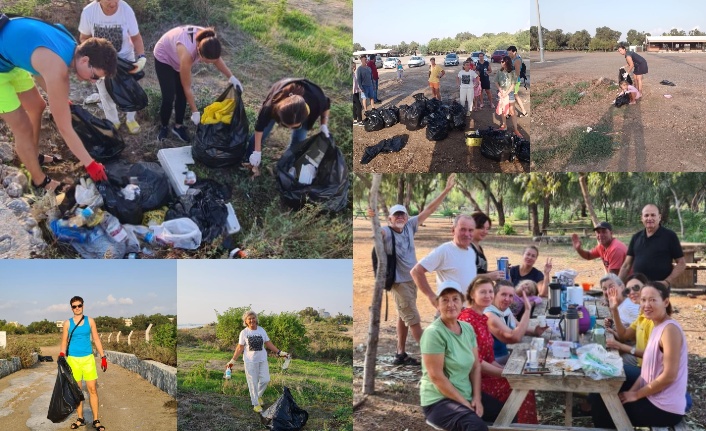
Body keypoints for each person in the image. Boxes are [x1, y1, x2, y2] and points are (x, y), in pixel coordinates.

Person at [0, 17, 115, 192]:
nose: (93, 82)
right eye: (95, 76)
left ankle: (33, 155)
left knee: (37, 106)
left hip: (10, 60)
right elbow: (65, 129)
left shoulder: (69, 42)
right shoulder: (58, 69)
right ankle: (39, 181)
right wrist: (90, 164)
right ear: (85, 61)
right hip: (2, 66)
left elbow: (39, 66)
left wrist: (60, 99)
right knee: (22, 127)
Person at [372, 174, 457, 366]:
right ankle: (434, 360)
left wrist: (446, 190)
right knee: (414, 320)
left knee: (404, 317)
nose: (400, 217)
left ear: (407, 217)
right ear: (390, 219)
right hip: (398, 283)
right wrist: (373, 218)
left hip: (412, 280)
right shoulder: (386, 232)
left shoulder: (410, 225)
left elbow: (430, 209)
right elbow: (377, 231)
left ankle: (400, 353)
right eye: (396, 215)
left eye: (403, 214)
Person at [590, 281, 688, 428]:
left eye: (652, 300)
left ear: (666, 302)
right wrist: (631, 392)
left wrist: (636, 395)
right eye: (643, 300)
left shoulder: (669, 330)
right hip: (653, 396)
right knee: (601, 396)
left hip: (664, 408)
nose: (646, 305)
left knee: (604, 409)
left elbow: (669, 375)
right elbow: (646, 372)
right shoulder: (656, 325)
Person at [458, 276, 538, 423]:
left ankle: (517, 424)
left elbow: (489, 359)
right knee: (521, 386)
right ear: (472, 294)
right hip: (471, 383)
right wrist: (506, 374)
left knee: (524, 384)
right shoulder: (467, 320)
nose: (488, 296)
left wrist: (507, 372)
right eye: (483, 292)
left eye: (490, 292)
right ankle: (513, 424)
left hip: (484, 376)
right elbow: (477, 363)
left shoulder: (481, 317)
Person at [153, 26, 243, 143]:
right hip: (164, 57)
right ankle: (164, 126)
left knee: (181, 95)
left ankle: (178, 127)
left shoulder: (210, 41)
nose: (208, 64)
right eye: (206, 61)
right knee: (168, 96)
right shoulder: (188, 54)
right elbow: (187, 87)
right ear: (199, 52)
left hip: (178, 54)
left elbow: (217, 59)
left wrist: (232, 77)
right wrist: (195, 111)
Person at [420, 280, 488, 431]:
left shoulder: (467, 328)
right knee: (476, 427)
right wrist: (464, 404)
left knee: (508, 412)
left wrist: (477, 397)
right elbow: (436, 376)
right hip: (439, 401)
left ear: (462, 302)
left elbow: (476, 366)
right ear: (437, 304)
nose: (451, 304)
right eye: (445, 300)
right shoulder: (433, 333)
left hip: (467, 394)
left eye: (455, 299)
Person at [78, 0, 146, 134]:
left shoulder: (126, 10)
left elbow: (136, 37)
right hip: (100, 61)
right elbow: (84, 38)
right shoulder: (89, 12)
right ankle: (113, 120)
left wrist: (141, 57)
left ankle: (131, 119)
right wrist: (95, 53)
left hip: (124, 58)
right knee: (104, 92)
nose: (113, 2)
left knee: (129, 88)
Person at [247, 78, 330, 170]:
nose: (290, 129)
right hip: (279, 101)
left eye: (296, 126)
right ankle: (250, 160)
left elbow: (327, 105)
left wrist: (324, 125)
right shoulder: (271, 105)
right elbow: (260, 127)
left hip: (307, 105)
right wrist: (257, 152)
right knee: (260, 136)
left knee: (298, 142)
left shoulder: (317, 99)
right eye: (286, 125)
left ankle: (285, 165)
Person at [60, 296, 108, 431]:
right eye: (74, 306)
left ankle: (96, 420)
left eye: (79, 305)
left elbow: (96, 339)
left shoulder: (90, 321)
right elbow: (64, 341)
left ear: (83, 306)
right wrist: (62, 354)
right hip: (73, 360)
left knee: (92, 389)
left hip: (88, 359)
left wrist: (103, 356)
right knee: (77, 391)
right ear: (71, 308)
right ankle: (80, 418)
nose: (77, 308)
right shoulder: (67, 323)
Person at [226, 310, 288, 413]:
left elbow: (268, 343)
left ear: (256, 319)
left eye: (253, 318)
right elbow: (239, 348)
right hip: (250, 361)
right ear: (246, 321)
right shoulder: (244, 333)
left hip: (262, 360)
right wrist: (232, 360)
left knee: (265, 379)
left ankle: (258, 396)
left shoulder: (261, 330)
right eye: (249, 319)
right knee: (252, 383)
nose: (252, 320)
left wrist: (280, 352)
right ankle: (255, 404)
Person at [411, 214, 477, 308]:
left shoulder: (471, 252)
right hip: (450, 310)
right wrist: (432, 297)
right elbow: (416, 271)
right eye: (463, 229)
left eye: (470, 230)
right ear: (453, 230)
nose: (467, 234)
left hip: (467, 311)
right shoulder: (445, 250)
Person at [618, 204, 685, 286]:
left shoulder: (670, 236)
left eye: (653, 215)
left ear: (659, 217)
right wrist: (618, 284)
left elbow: (681, 263)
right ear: (642, 218)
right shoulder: (636, 237)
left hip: (659, 289)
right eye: (646, 215)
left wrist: (667, 282)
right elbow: (626, 265)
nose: (649, 218)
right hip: (638, 288)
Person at [485, 280, 547, 365]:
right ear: (494, 295)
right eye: (503, 294)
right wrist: (527, 310)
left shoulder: (504, 310)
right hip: (494, 363)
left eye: (511, 296)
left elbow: (518, 326)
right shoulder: (489, 315)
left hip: (505, 356)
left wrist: (535, 331)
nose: (507, 299)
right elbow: (514, 337)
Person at [469, 212, 505, 280]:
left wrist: (496, 273)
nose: (485, 231)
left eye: (487, 228)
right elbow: (466, 276)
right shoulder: (468, 248)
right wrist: (489, 276)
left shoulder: (479, 248)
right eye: (482, 228)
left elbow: (481, 272)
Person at [494, 56, 521, 138]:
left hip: (510, 94)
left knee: (512, 112)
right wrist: (500, 90)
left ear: (507, 62)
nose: (501, 63)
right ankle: (504, 125)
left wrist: (507, 93)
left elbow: (513, 84)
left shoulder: (512, 72)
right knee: (502, 110)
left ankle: (516, 129)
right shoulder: (499, 71)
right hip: (502, 93)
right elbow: (496, 82)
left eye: (503, 61)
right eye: (501, 61)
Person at [506, 46, 527, 117]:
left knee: (514, 96)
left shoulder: (517, 60)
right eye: (508, 53)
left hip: (514, 82)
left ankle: (522, 111)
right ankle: (521, 111)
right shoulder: (511, 59)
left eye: (510, 53)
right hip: (511, 81)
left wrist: (513, 84)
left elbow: (517, 74)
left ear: (514, 52)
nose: (509, 54)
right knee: (513, 96)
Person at [352, 62, 363, 126]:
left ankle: (355, 120)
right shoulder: (351, 75)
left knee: (354, 107)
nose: (355, 67)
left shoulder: (354, 74)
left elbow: (356, 84)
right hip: (353, 93)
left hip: (356, 92)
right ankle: (360, 121)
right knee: (359, 106)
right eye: (355, 66)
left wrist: (359, 90)